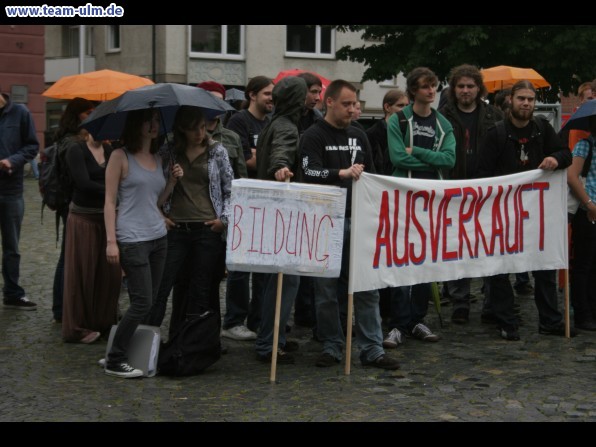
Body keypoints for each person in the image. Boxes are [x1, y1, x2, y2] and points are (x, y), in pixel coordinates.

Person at [300, 79, 400, 370]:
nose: (352, 109)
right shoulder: (313, 135)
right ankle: (332, 345)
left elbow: (373, 172)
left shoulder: (359, 134)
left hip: (359, 220)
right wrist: (340, 173)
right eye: (346, 104)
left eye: (354, 104)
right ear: (328, 102)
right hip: (326, 221)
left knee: (367, 288)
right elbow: (309, 171)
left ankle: (372, 348)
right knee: (327, 292)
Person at [477, 80, 574, 340]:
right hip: (503, 214)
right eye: (521, 98)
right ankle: (506, 320)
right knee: (501, 268)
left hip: (537, 214)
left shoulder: (542, 128)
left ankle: (550, 320)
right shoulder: (495, 133)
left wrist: (556, 158)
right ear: (510, 100)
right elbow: (482, 174)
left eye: (530, 99)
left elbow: (566, 153)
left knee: (544, 265)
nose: (526, 104)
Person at [104, 108, 183, 378]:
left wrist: (171, 181)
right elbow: (109, 202)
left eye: (157, 121)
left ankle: (118, 349)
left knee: (149, 301)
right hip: (131, 238)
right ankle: (115, 359)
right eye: (148, 121)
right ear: (136, 125)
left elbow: (156, 202)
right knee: (141, 301)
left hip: (158, 236)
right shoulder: (120, 156)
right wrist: (110, 241)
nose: (154, 125)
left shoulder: (159, 158)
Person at [146, 106, 233, 338]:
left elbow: (230, 190)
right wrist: (162, 214)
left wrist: (223, 221)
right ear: (182, 129)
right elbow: (154, 189)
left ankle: (196, 341)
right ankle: (148, 342)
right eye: (194, 129)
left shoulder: (217, 151)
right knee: (163, 285)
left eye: (203, 128)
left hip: (206, 228)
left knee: (201, 287)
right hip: (176, 228)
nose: (200, 133)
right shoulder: (169, 152)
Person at [385, 67, 455, 346]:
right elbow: (398, 158)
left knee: (426, 262)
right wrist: (432, 158)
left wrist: (420, 153)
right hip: (404, 197)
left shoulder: (443, 124)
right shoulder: (399, 121)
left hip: (432, 199)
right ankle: (398, 323)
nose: (431, 91)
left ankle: (417, 320)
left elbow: (449, 160)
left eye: (434, 86)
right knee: (402, 259)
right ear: (413, 90)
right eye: (426, 86)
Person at [438, 64, 503, 325]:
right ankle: (460, 301)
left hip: (486, 190)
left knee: (489, 245)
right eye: (460, 86)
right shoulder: (442, 116)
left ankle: (490, 301)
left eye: (470, 86)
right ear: (454, 89)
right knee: (457, 246)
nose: (465, 90)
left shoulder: (494, 115)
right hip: (453, 188)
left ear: (479, 88)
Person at [254, 76, 307, 363]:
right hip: (281, 215)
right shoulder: (286, 126)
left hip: (271, 214)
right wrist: (282, 168)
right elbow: (281, 155)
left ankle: (273, 337)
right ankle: (269, 344)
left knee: (275, 283)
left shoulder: (273, 123)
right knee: (285, 283)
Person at [221, 76, 273, 341]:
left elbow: (259, 157)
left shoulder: (271, 122)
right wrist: (267, 158)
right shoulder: (239, 121)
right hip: (244, 201)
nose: (271, 98)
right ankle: (233, 320)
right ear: (252, 95)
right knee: (240, 267)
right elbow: (245, 160)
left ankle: (258, 318)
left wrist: (259, 155)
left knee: (264, 266)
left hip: (268, 202)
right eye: (266, 93)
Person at [62, 131, 121, 343]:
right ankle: (77, 327)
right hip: (83, 218)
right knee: (82, 273)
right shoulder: (76, 149)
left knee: (108, 274)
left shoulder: (109, 150)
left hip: (105, 218)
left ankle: (103, 322)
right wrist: (113, 190)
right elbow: (83, 182)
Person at [49, 97, 96, 323]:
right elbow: (77, 178)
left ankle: (62, 307)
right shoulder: (71, 142)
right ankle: (60, 308)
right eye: (87, 113)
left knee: (67, 256)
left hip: (71, 203)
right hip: (70, 204)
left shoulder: (74, 139)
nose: (91, 116)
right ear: (77, 115)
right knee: (67, 258)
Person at [0, 90, 39, 310]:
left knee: (11, 246)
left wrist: (12, 161)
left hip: (10, 189)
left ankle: (13, 293)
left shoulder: (20, 113)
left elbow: (32, 146)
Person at [567, 115, 596, 331]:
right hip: (587, 213)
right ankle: (582, 313)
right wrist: (589, 203)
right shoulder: (585, 145)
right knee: (584, 265)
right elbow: (572, 175)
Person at [367, 89, 409, 176]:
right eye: (400, 105)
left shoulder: (410, 131)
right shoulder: (372, 134)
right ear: (387, 107)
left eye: (407, 106)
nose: (405, 109)